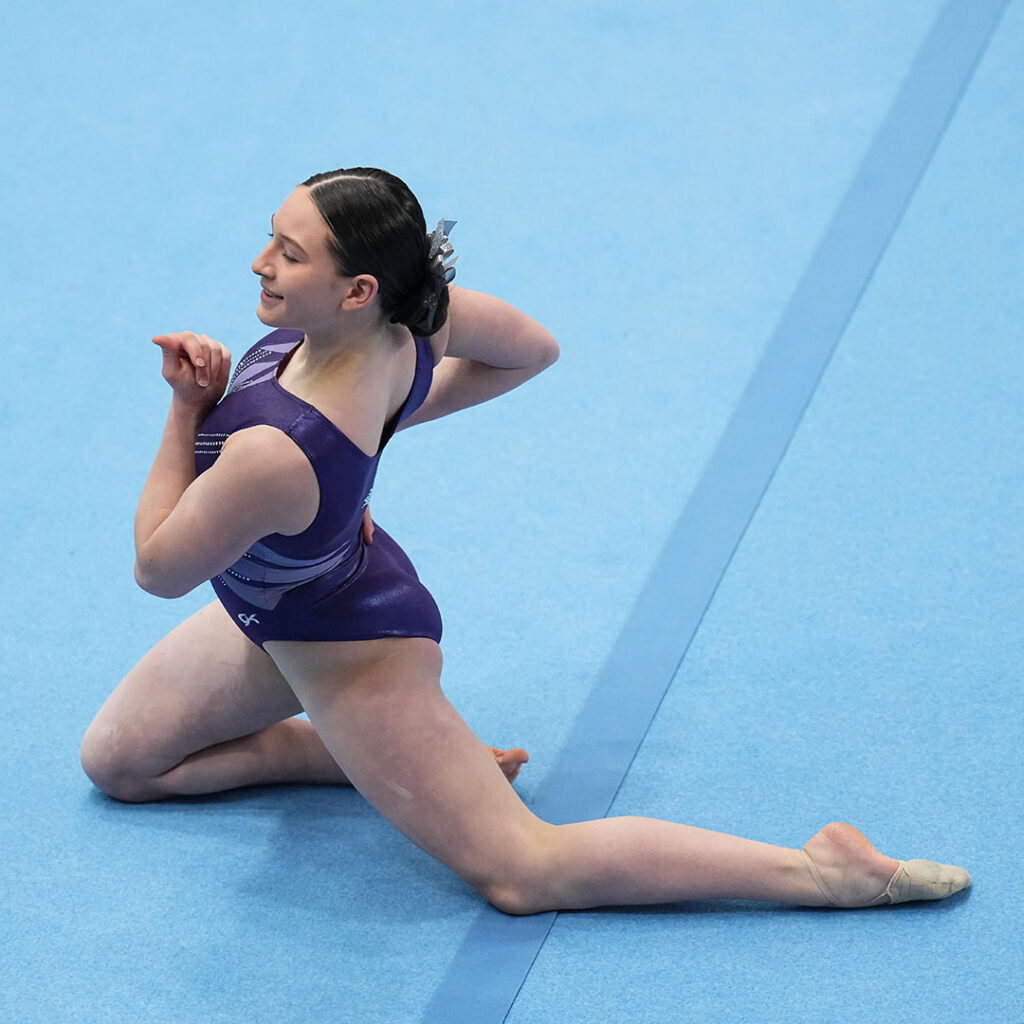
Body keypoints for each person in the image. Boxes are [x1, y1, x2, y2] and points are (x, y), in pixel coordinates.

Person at [81, 167, 970, 914]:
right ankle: (393, 761)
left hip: (348, 650)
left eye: (289, 252)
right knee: (121, 763)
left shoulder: (275, 454)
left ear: (358, 290)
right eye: (270, 237)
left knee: (525, 873)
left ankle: (817, 870)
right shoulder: (400, 330)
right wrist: (368, 443)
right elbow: (529, 349)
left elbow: (158, 566)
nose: (260, 262)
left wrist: (188, 409)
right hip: (277, 605)